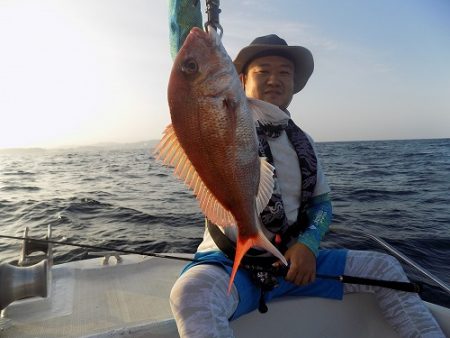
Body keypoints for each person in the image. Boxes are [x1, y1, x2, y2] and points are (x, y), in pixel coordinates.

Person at [167, 1, 445, 337]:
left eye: (284, 73)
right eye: (263, 71)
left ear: (295, 83)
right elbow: (187, 51)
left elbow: (322, 205)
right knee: (191, 295)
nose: (274, 79)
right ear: (239, 80)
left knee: (384, 268)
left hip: (295, 266)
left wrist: (309, 244)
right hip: (228, 264)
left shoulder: (305, 143)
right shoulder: (223, 114)